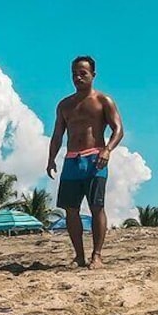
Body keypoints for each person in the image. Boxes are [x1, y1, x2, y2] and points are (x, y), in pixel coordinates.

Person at [47, 56, 124, 269]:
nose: (78, 77)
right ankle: (79, 256)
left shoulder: (103, 101)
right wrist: (51, 158)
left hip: (95, 158)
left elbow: (118, 129)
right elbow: (57, 135)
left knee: (96, 206)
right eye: (75, 74)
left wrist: (107, 149)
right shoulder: (65, 105)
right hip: (72, 160)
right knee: (70, 209)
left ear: (93, 75)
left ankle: (96, 255)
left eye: (83, 73)